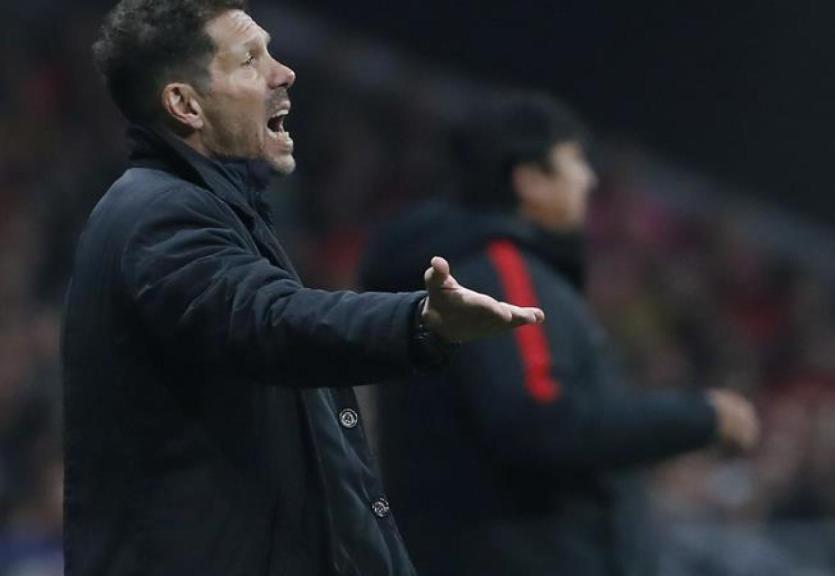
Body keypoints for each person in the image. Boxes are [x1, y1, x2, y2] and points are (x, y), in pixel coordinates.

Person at [63, 2, 545, 575]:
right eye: (249, 60)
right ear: (185, 105)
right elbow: (271, 321)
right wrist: (420, 323)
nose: (283, 72)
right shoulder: (158, 214)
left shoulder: (215, 212)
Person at [359, 93, 760, 576]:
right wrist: (702, 416)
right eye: (574, 162)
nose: (588, 180)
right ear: (530, 180)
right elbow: (543, 424)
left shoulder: (475, 266)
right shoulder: (502, 270)